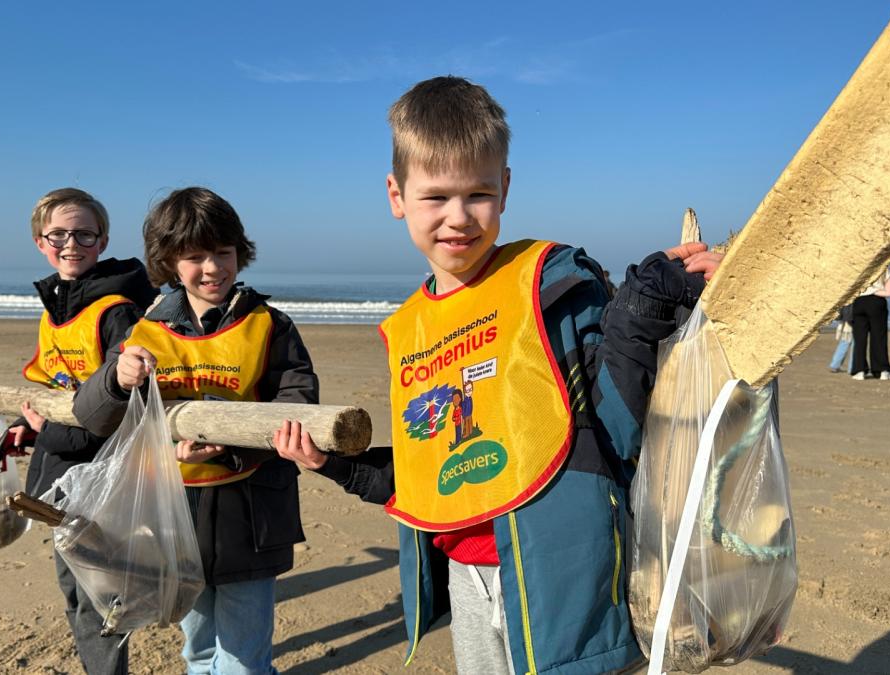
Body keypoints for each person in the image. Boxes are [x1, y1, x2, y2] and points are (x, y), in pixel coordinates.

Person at [273, 76, 721, 675]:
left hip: (567, 567)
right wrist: (337, 466)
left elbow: (617, 425)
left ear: (505, 188)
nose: (458, 218)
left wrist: (642, 307)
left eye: (478, 193)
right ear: (396, 195)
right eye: (435, 196)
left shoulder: (553, 283)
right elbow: (427, 473)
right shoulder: (412, 329)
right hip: (467, 572)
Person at [73, 187, 318, 674]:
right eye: (194, 257)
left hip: (252, 514)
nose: (213, 268)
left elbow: (298, 402)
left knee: (244, 658)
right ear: (168, 261)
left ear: (239, 252)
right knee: (198, 649)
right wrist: (117, 378)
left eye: (223, 253)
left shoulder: (270, 325)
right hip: (173, 515)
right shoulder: (144, 331)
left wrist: (234, 445)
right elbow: (92, 414)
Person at [8, 187, 158, 675]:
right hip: (61, 466)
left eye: (84, 235)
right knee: (73, 585)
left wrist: (49, 429)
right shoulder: (56, 306)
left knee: (96, 594)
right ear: (40, 242)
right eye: (58, 235)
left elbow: (114, 404)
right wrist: (26, 426)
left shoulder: (116, 311)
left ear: (102, 240)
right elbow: (56, 383)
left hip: (100, 475)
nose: (71, 244)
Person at [851, 264, 890, 381]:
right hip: (877, 303)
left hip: (859, 302)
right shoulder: (884, 269)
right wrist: (874, 291)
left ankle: (859, 370)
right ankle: (881, 370)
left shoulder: (858, 268)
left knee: (860, 339)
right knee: (879, 338)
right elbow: (889, 292)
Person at [829, 304, 854, 373]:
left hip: (845, 322)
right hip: (854, 322)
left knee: (843, 344)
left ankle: (835, 365)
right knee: (856, 346)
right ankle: (852, 368)